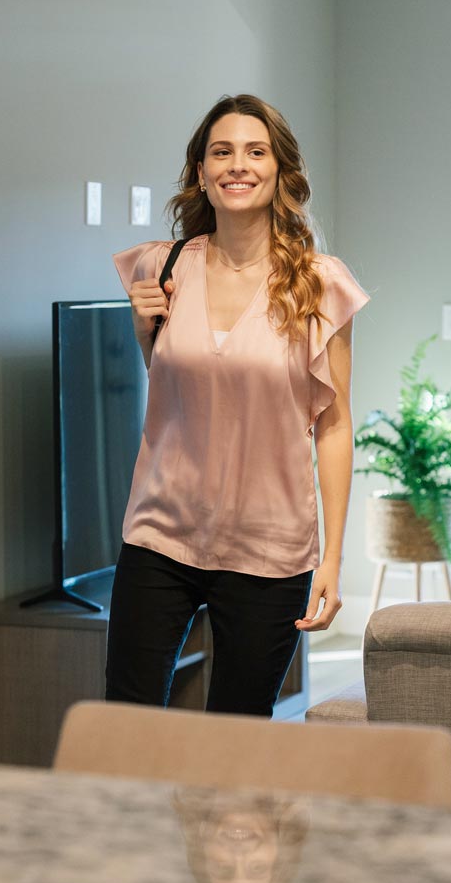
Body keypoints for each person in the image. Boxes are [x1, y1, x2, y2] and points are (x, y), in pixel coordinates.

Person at [106, 93, 367, 716]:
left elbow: (332, 428)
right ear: (201, 170)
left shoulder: (318, 283)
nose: (237, 165)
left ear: (280, 170)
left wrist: (331, 556)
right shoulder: (162, 267)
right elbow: (181, 395)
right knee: (122, 729)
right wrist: (145, 336)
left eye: (256, 151)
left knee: (235, 745)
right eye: (221, 152)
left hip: (268, 547)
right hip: (160, 534)